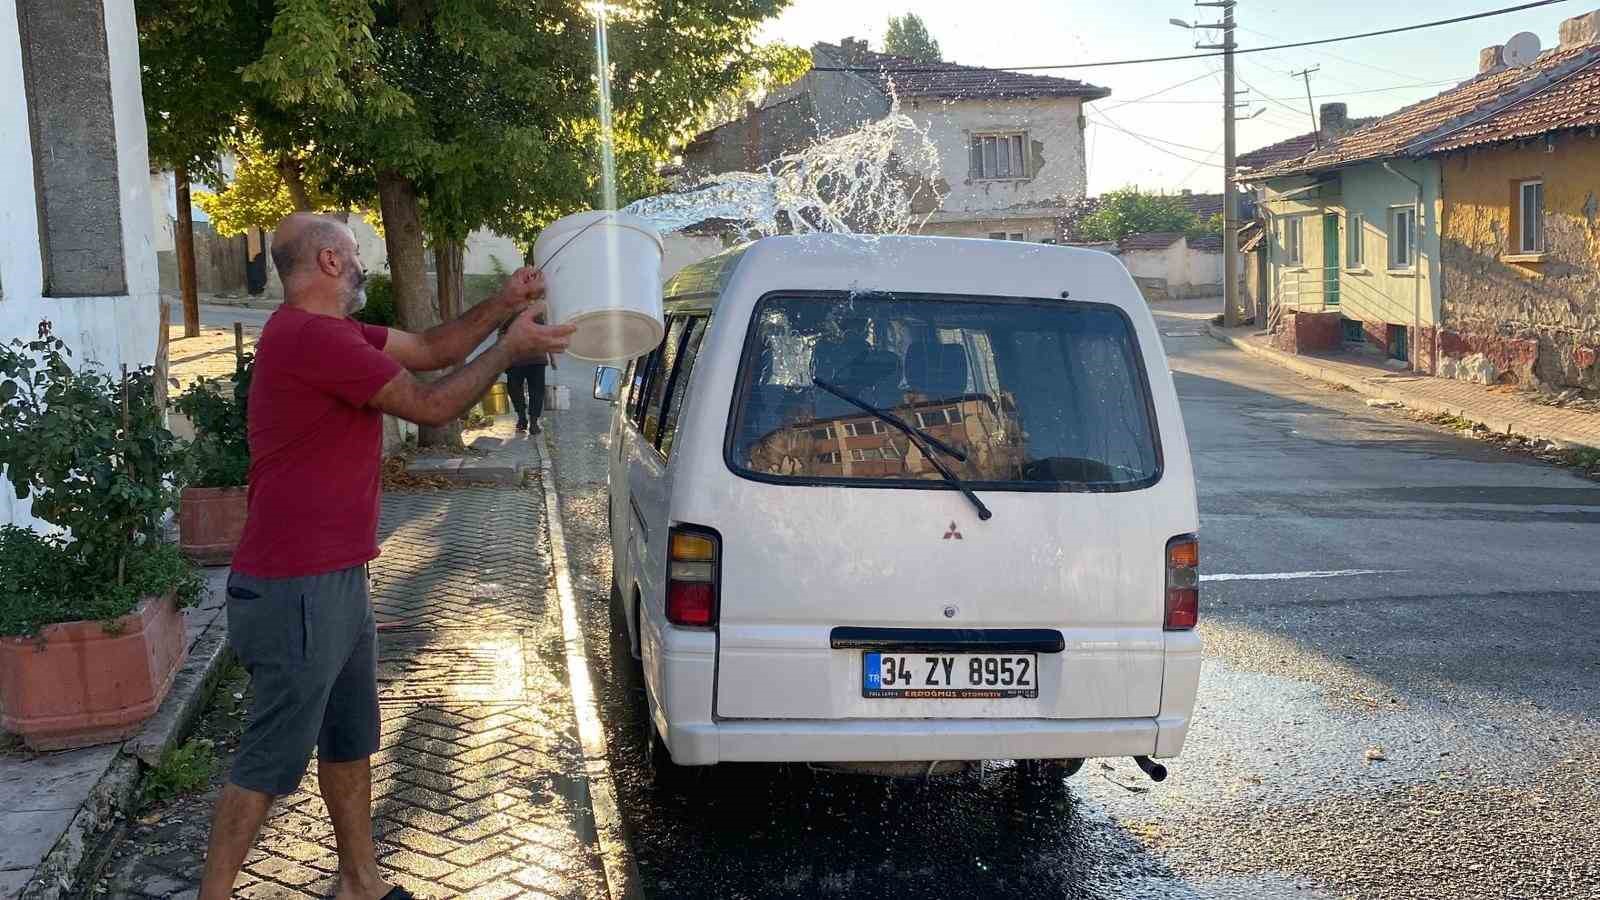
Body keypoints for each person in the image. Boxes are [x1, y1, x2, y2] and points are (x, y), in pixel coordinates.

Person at [199, 213, 575, 900]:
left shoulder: (339, 333)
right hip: (295, 587)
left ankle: (361, 883)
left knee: (349, 739)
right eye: (353, 250)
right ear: (329, 261)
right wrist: (508, 351)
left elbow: (431, 349)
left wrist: (503, 303)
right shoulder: (312, 338)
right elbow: (430, 404)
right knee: (269, 760)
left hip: (338, 580)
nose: (361, 261)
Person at [502, 316, 551, 433]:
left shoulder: (533, 314)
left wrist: (552, 357)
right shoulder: (509, 314)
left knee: (532, 391)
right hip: (521, 359)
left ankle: (530, 421)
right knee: (520, 391)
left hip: (531, 359)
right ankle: (525, 419)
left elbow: (546, 335)